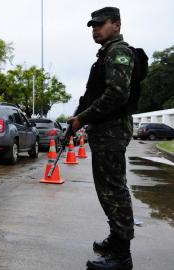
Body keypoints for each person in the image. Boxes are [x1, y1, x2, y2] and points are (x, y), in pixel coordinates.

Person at [69, 7, 135, 270]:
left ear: (116, 25)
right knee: (108, 191)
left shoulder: (119, 52)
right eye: (92, 26)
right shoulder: (107, 53)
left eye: (101, 24)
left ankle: (122, 255)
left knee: (114, 191)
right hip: (106, 132)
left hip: (112, 132)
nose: (95, 29)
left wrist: (81, 119)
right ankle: (116, 239)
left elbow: (116, 95)